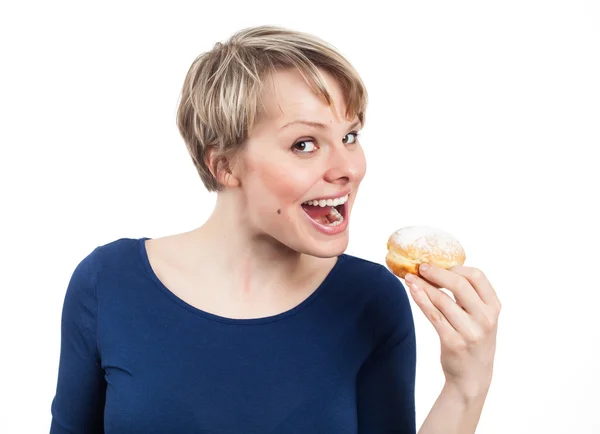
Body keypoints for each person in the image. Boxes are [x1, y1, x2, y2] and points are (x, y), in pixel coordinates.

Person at [50, 25, 501, 433]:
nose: (348, 168)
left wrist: (467, 386)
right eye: (305, 144)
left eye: (350, 136)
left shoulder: (371, 300)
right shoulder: (107, 283)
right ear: (224, 165)